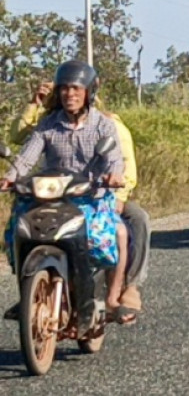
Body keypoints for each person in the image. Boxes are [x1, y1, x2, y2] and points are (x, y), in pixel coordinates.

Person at [8, 79, 150, 325]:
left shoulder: (105, 125)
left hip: (90, 195)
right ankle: (28, 291)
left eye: (76, 89)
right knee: (18, 228)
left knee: (118, 232)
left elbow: (118, 159)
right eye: (64, 89)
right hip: (51, 194)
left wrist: (115, 180)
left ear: (89, 94)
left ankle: (115, 297)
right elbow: (26, 156)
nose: (69, 94)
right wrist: (10, 177)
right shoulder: (48, 124)